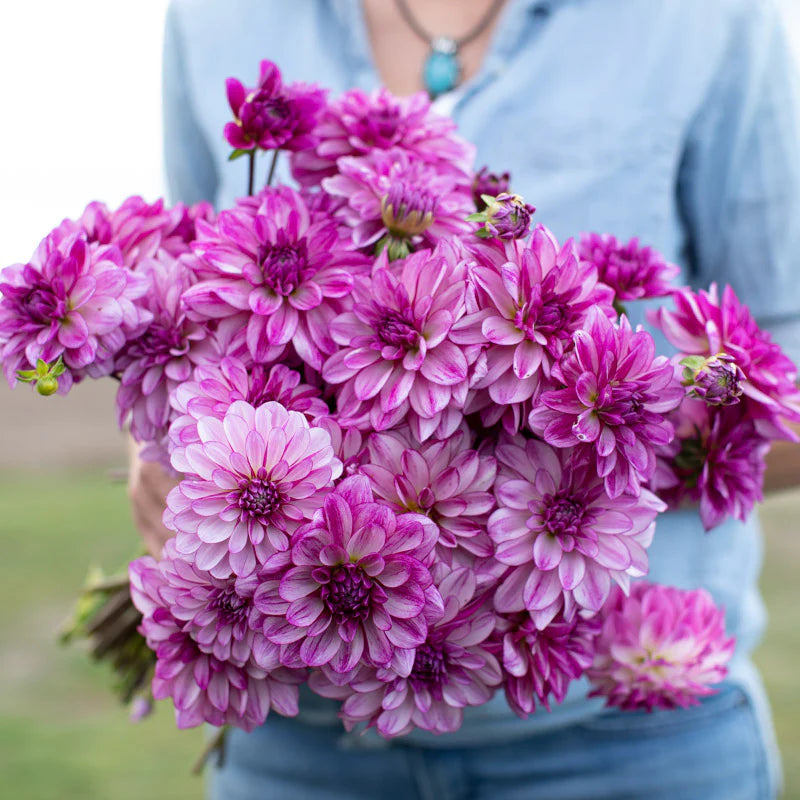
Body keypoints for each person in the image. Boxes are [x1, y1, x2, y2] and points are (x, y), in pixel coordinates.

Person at [129, 0, 800, 797]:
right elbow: (185, 293)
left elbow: (786, 366)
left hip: (622, 749)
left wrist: (584, 462)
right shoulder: (214, 19)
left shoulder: (709, 21)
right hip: (295, 745)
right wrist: (168, 452)